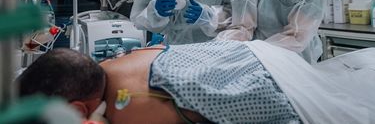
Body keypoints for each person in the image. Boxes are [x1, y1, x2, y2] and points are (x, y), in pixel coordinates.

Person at [18, 44, 302, 124]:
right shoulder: (110, 67)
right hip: (264, 54)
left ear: (79, 111)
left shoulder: (133, 110)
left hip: (291, 97)